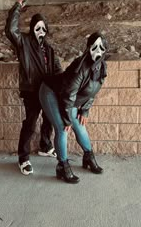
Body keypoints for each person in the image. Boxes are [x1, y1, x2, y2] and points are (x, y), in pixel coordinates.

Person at [39, 31, 108, 184]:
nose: (97, 50)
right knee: (62, 128)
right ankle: (62, 167)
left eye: (101, 47)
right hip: (51, 92)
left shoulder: (101, 67)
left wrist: (85, 110)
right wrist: (66, 119)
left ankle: (88, 158)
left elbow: (93, 91)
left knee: (80, 126)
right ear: (88, 47)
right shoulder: (80, 67)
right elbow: (68, 95)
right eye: (94, 46)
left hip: (69, 98)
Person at [5, 0, 62, 175]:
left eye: (43, 29)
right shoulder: (24, 43)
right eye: (37, 28)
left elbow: (57, 69)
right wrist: (16, 9)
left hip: (47, 92)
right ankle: (23, 158)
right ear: (32, 29)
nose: (40, 32)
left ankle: (45, 146)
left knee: (49, 119)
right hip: (31, 91)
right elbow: (10, 30)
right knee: (30, 123)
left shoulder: (49, 49)